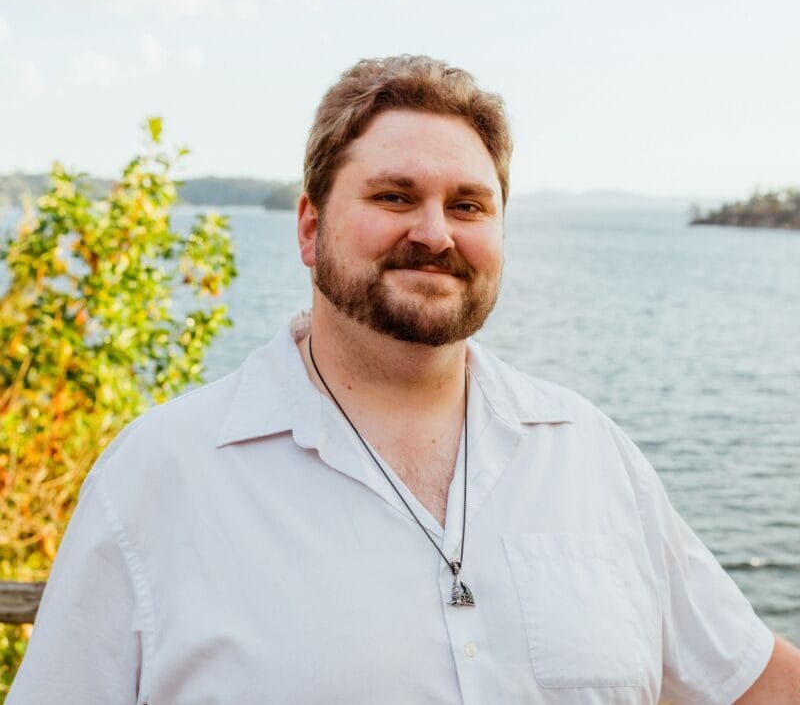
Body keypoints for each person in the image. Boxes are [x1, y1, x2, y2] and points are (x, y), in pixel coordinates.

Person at [8, 55, 800, 704]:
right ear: (310, 228)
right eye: (395, 197)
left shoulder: (590, 454)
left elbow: (751, 680)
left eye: (468, 206)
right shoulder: (159, 476)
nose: (434, 233)